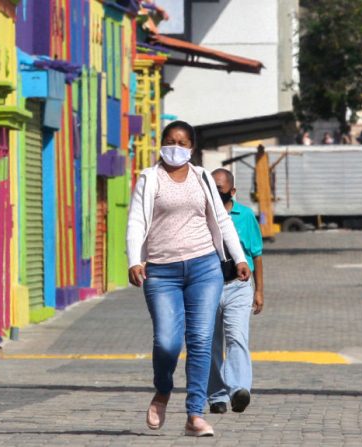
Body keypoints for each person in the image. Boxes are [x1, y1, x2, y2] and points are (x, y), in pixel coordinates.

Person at [126, 120, 251, 437]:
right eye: (170, 141)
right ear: (161, 144)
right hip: (161, 271)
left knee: (200, 341)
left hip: (204, 268)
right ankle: (163, 389)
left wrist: (238, 258)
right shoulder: (149, 178)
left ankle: (195, 414)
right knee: (167, 342)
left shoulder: (203, 177)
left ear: (191, 148)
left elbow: (221, 221)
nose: (175, 147)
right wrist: (134, 261)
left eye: (182, 143)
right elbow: (136, 222)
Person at [207, 169, 264, 414]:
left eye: (220, 189)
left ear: (232, 191)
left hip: (238, 286)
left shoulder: (246, 216)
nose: (216, 194)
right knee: (210, 342)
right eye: (212, 188)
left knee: (237, 337)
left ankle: (239, 390)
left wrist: (259, 290)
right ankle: (216, 396)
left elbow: (257, 254)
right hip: (207, 287)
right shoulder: (201, 214)